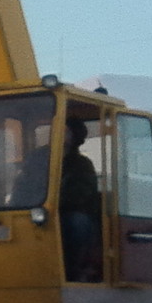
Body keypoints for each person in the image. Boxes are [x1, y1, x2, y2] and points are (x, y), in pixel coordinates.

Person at [58, 118, 102, 281]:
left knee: (75, 222)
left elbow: (80, 195)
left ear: (75, 137)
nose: (59, 134)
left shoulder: (82, 165)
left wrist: (56, 204)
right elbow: (23, 183)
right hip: (42, 210)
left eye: (65, 131)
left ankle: (73, 270)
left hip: (71, 212)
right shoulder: (38, 160)